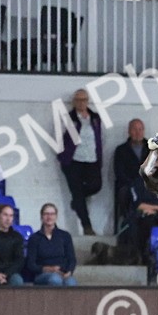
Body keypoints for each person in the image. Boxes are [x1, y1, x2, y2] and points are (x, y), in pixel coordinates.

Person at [57, 89, 103, 235]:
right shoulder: (69, 118)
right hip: (73, 161)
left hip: (92, 160)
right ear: (73, 102)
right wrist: (63, 156)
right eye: (78, 100)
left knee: (96, 185)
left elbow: (99, 138)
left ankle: (77, 200)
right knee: (77, 193)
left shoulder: (95, 117)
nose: (81, 103)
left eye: (84, 100)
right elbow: (59, 138)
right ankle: (87, 226)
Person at [124, 169, 158, 263]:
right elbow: (138, 205)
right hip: (142, 216)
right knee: (147, 222)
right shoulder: (138, 183)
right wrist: (156, 208)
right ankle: (145, 257)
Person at [25, 203, 78, 287]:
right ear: (41, 216)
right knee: (55, 279)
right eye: (46, 214)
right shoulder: (34, 238)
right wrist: (48, 269)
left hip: (63, 272)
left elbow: (72, 259)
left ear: (56, 216)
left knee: (71, 282)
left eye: (52, 214)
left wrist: (69, 271)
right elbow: (31, 264)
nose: (49, 217)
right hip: (42, 274)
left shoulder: (65, 236)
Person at [113, 119, 148, 234]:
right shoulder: (121, 150)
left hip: (147, 185)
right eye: (134, 129)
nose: (137, 133)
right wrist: (134, 184)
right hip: (128, 184)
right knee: (124, 192)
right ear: (129, 131)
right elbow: (119, 173)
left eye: (140, 129)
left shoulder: (152, 149)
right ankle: (129, 221)